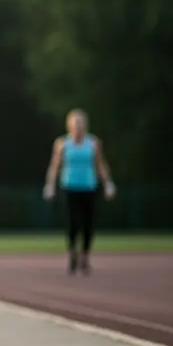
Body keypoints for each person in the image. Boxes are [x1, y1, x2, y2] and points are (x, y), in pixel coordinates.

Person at [43, 109, 116, 275]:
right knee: (72, 222)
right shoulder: (62, 143)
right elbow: (55, 166)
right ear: (70, 125)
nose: (78, 127)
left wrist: (108, 183)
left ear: (85, 125)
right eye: (75, 124)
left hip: (89, 186)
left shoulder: (93, 143)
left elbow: (100, 164)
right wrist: (50, 185)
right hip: (69, 186)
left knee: (88, 223)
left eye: (81, 123)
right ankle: (72, 253)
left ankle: (85, 255)